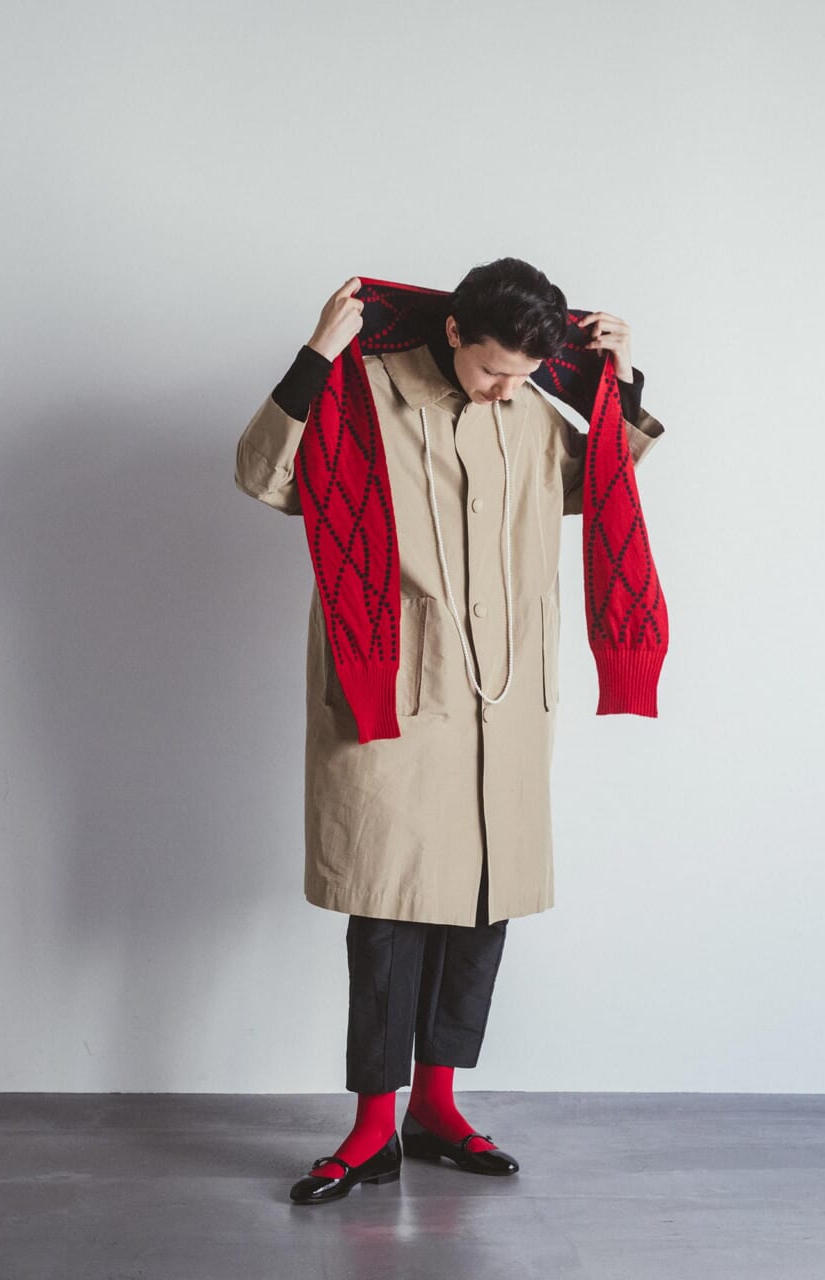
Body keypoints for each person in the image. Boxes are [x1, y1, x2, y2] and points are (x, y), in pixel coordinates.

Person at [233, 258, 666, 1205]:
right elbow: (264, 475)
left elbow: (601, 483)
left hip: (504, 701)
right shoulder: (363, 395)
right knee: (388, 908)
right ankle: (372, 1130)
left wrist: (624, 385)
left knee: (481, 902)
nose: (509, 389)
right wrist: (317, 356)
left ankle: (437, 1106)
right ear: (456, 333)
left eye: (526, 375)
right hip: (393, 689)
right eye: (494, 370)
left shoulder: (531, 414)